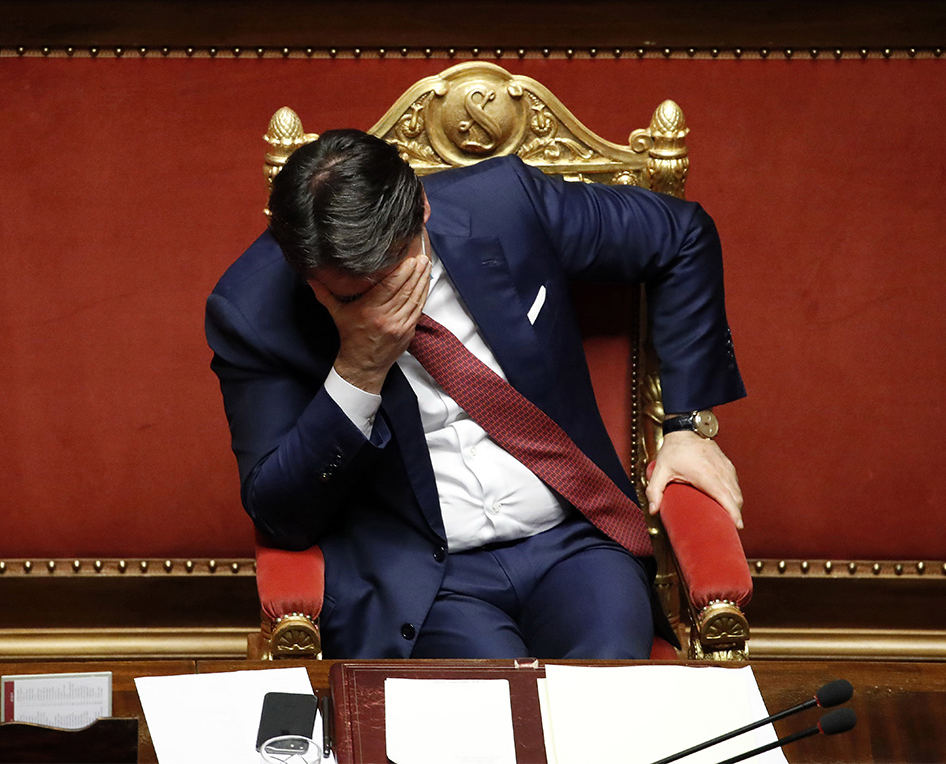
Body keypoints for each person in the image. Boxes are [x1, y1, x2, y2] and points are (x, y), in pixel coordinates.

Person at [205, 129, 746, 659]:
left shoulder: (503, 203)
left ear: (422, 208)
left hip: (572, 541)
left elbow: (682, 234)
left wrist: (686, 426)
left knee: (605, 683)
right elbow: (280, 513)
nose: (382, 305)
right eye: (354, 296)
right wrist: (358, 367)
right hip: (427, 581)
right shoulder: (251, 309)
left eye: (395, 276)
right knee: (487, 704)